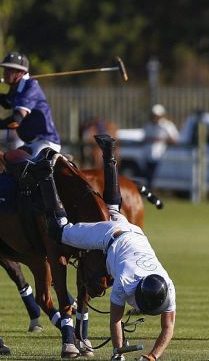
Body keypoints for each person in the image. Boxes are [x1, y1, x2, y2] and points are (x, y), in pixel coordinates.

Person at [31, 136, 176, 361]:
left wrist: (152, 357)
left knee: (113, 207)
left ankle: (109, 153)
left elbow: (168, 327)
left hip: (132, 230)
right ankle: (45, 174)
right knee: (60, 231)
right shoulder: (125, 281)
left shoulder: (167, 285)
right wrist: (117, 354)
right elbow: (115, 320)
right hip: (108, 237)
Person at [0, 51, 61, 158]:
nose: (4, 73)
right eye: (5, 69)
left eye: (9, 70)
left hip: (45, 143)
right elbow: (7, 103)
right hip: (29, 144)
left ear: (20, 73)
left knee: (28, 171)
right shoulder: (17, 88)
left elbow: (16, 120)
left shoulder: (30, 87)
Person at [142, 104, 179, 187]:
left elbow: (175, 139)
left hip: (161, 155)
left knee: (154, 177)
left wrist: (161, 140)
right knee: (147, 177)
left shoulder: (167, 125)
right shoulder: (148, 125)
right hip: (148, 155)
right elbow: (144, 139)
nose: (154, 117)